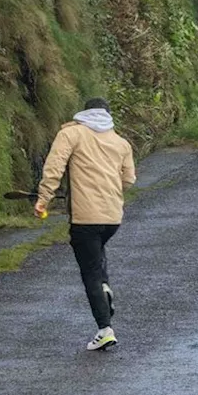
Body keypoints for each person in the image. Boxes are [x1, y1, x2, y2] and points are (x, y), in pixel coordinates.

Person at [35, 97, 136, 351]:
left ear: (84, 111)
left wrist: (43, 199)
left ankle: (104, 329)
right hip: (113, 217)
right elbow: (129, 180)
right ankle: (104, 288)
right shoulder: (120, 142)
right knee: (96, 256)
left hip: (85, 218)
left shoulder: (71, 134)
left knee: (89, 270)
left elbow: (54, 167)